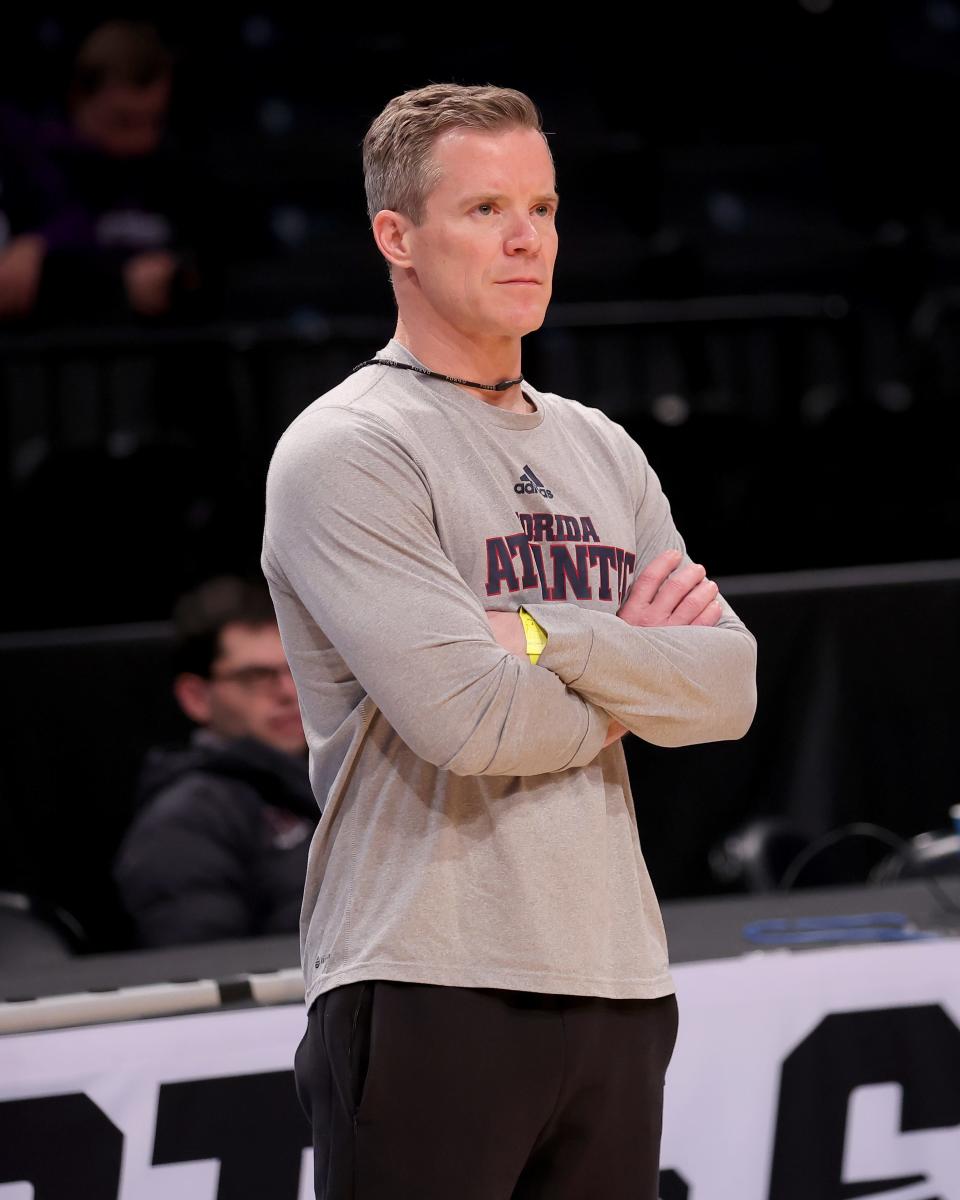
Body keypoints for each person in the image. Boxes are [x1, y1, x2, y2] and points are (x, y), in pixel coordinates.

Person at [262, 83, 757, 1199]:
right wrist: (636, 659)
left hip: (619, 975)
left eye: (542, 205)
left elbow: (727, 689)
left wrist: (535, 632)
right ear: (397, 235)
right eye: (486, 208)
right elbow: (472, 723)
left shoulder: (601, 445)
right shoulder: (349, 448)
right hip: (430, 972)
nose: (529, 236)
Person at [113, 577, 315, 948]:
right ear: (196, 697)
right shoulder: (184, 819)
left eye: (296, 668)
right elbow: (201, 975)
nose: (287, 692)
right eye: (256, 676)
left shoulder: (343, 778)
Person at [0, 20, 207, 323]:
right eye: (123, 122)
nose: (142, 140)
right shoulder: (34, 170)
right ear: (79, 99)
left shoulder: (174, 171)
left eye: (155, 121)